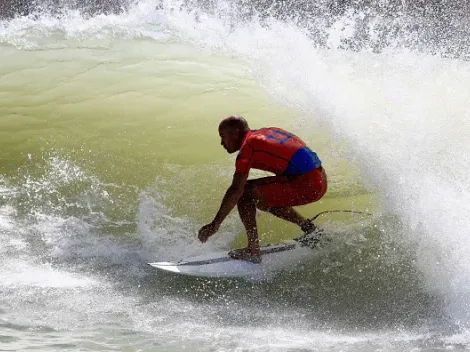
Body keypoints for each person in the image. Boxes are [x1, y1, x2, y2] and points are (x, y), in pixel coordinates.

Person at [197, 116, 327, 263]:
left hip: (308, 184)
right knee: (261, 198)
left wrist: (215, 224)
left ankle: (253, 250)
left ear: (235, 133)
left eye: (223, 136)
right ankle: (309, 228)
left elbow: (236, 189)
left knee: (245, 193)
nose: (221, 143)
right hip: (320, 178)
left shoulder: (249, 146)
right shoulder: (266, 132)